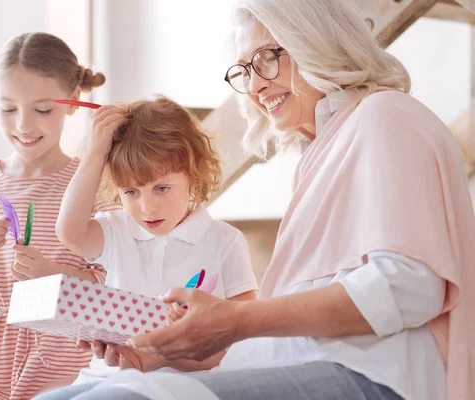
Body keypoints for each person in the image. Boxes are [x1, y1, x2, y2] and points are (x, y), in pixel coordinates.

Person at [39, 0, 475, 399]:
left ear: (315, 40)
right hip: (314, 364)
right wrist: (159, 353)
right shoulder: (320, 156)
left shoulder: (385, 115)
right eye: (244, 70)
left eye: (267, 58)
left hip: (378, 376)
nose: (255, 86)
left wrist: (238, 320)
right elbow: (287, 335)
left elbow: (411, 287)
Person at [0, 32, 117, 399]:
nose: (23, 125)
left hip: (71, 361)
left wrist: (52, 274)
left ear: (73, 103)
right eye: (8, 109)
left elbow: (114, 282)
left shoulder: (95, 183)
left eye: (42, 109)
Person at [43, 97, 257, 396]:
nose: (147, 208)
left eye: (161, 188)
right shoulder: (116, 229)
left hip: (182, 382)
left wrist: (169, 352)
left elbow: (246, 341)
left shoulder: (225, 241)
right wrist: (95, 153)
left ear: (193, 175)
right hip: (105, 376)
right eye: (131, 192)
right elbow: (69, 232)